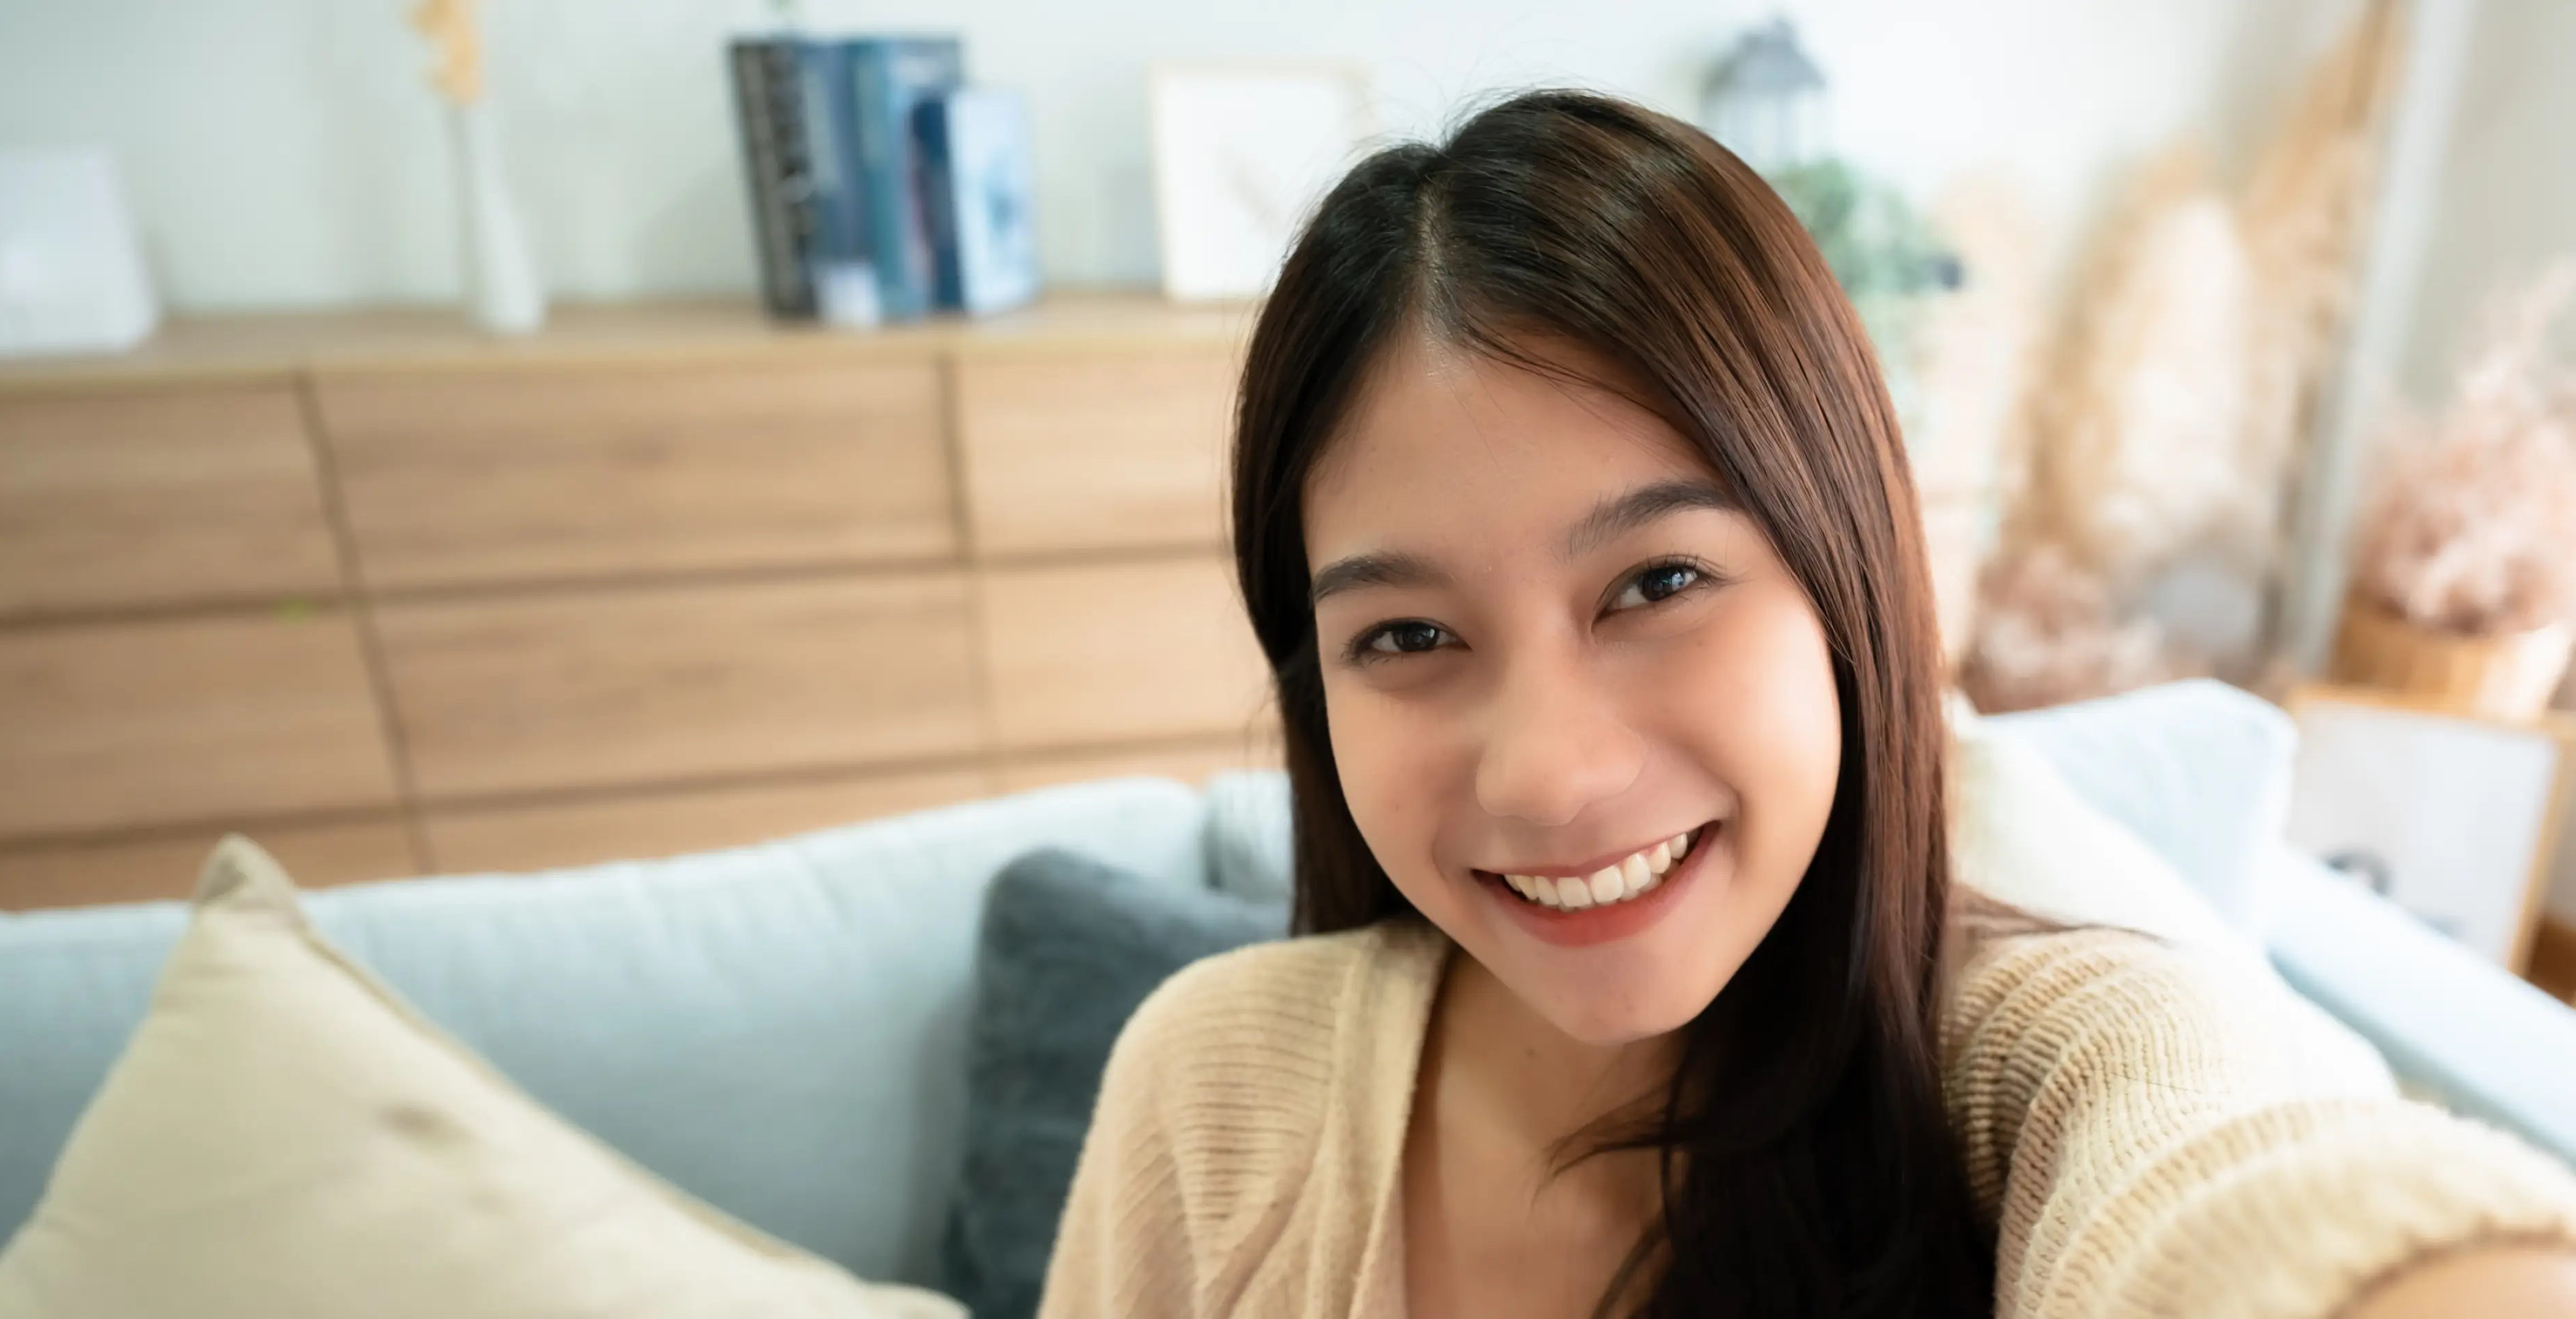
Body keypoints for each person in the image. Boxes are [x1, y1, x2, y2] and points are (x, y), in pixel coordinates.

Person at [1036, 90, 2576, 1318]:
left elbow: (2227, 1193)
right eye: (1411, 633)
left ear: (1849, 572)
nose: (1553, 776)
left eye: (1654, 587)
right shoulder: (1214, 1091)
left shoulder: (2050, 1068)